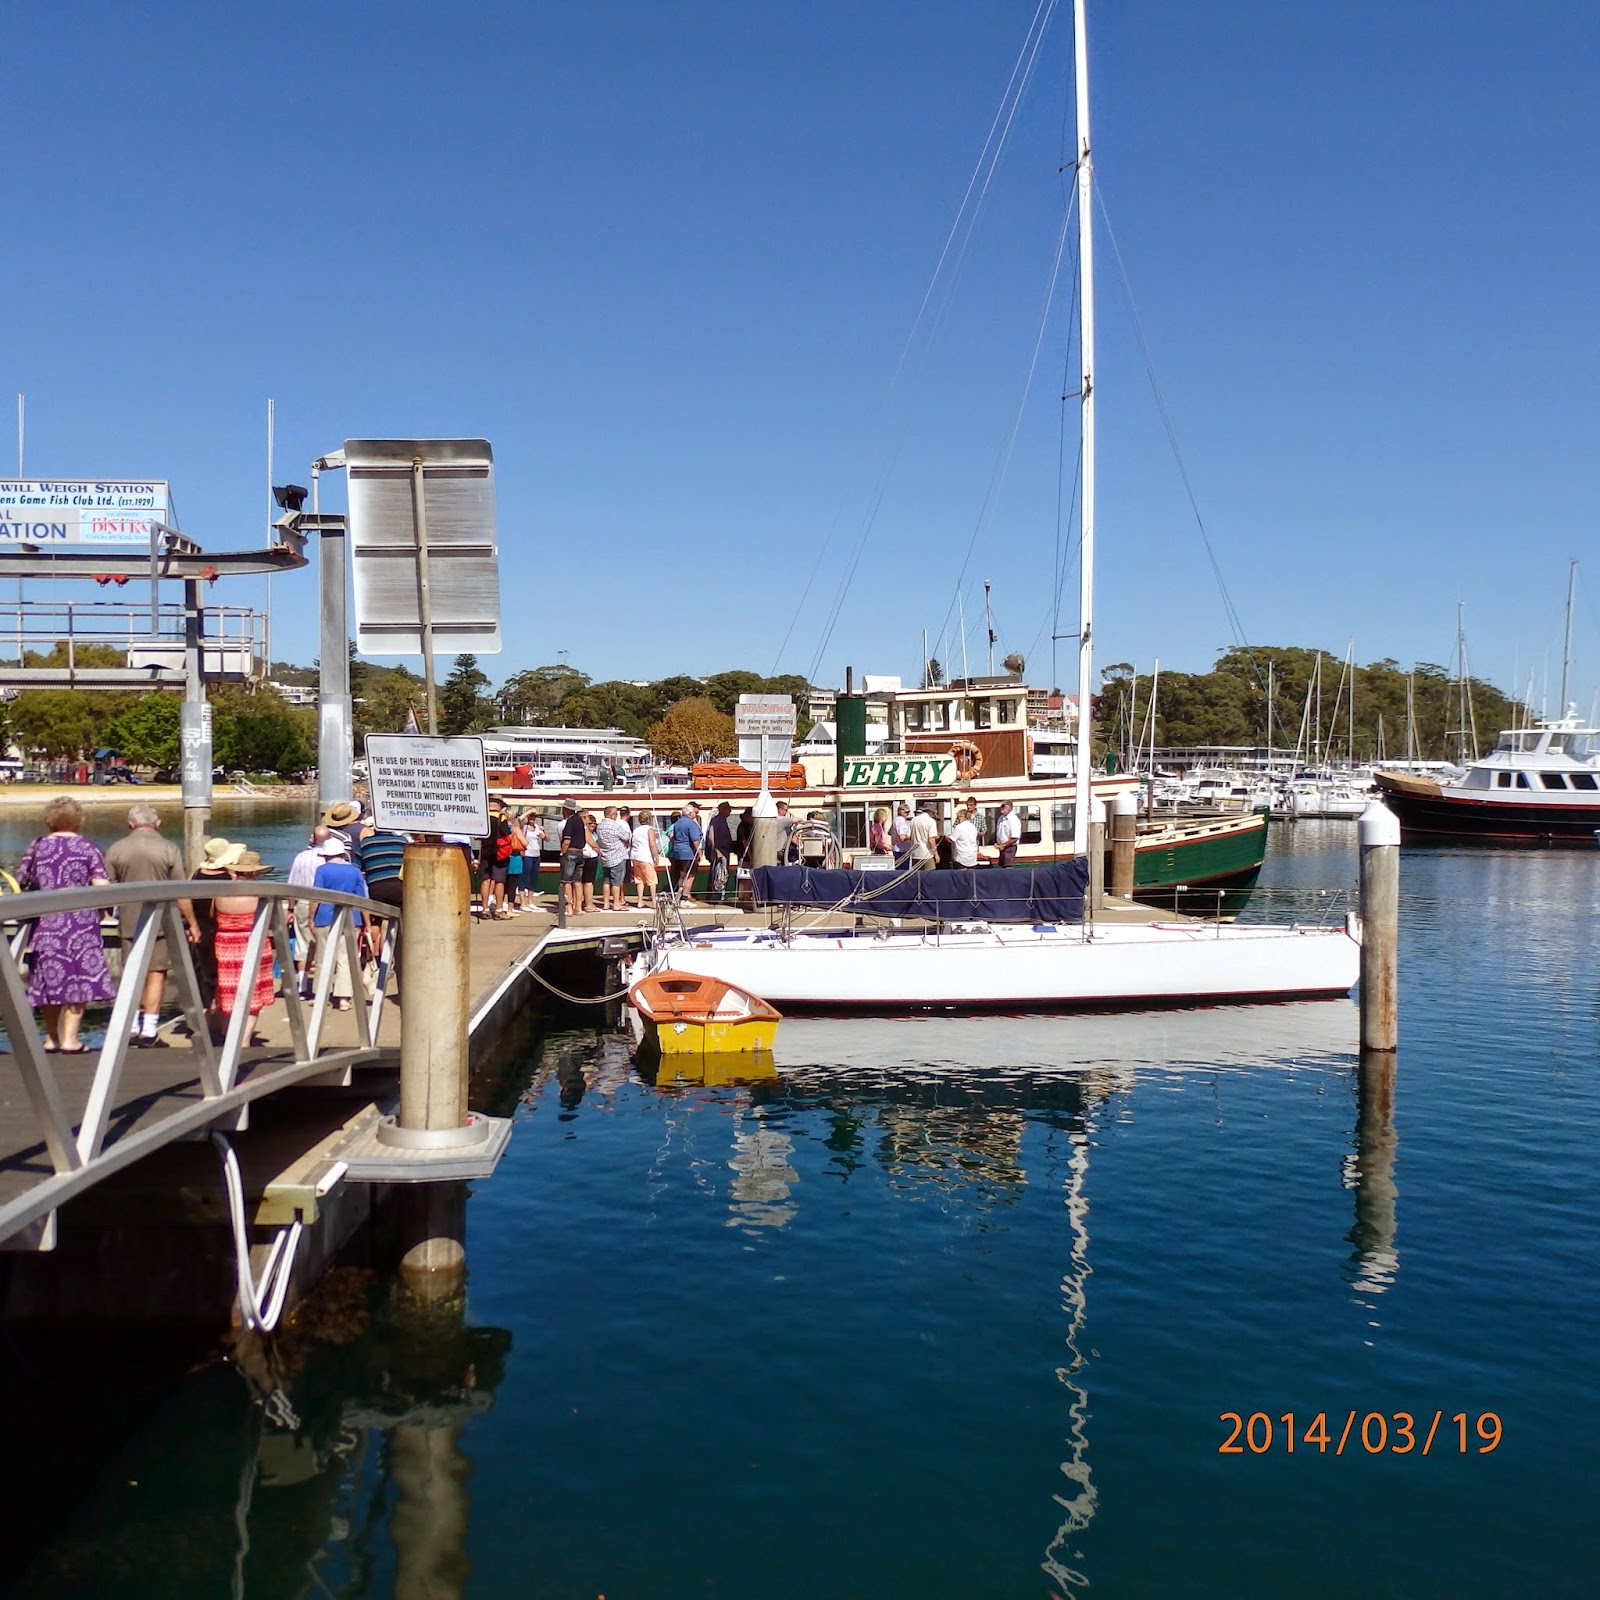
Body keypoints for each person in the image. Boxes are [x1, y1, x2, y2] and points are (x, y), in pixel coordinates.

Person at [15, 796, 116, 1052]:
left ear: (49, 820)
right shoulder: (87, 847)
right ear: (78, 820)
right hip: (80, 925)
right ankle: (71, 1039)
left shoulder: (37, 846)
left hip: (45, 923)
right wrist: (107, 910)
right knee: (77, 980)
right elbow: (101, 885)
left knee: (48, 980)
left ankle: (51, 1037)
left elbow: (21, 880)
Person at [104, 803, 200, 1047]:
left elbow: (105, 889)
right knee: (157, 973)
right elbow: (181, 891)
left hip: (128, 920)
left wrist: (106, 913)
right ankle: (149, 1029)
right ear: (158, 824)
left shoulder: (116, 849)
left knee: (131, 973)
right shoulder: (169, 848)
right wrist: (192, 923)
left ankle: (131, 1026)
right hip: (161, 921)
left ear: (130, 824)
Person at [211, 848, 279, 1044]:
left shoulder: (220, 892)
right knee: (253, 991)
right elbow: (273, 921)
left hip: (225, 942)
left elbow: (212, 915)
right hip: (252, 941)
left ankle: (226, 1032)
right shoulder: (259, 894)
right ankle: (244, 1039)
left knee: (227, 988)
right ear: (255, 872)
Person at [310, 836, 368, 1010]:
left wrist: (311, 917)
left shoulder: (322, 870)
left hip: (325, 916)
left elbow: (316, 896)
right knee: (346, 958)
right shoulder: (355, 871)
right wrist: (366, 922)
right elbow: (362, 898)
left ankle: (321, 995)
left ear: (327, 855)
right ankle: (344, 998)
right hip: (351, 917)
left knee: (323, 958)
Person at [355, 818, 407, 974]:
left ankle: (376, 959)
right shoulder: (402, 841)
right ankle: (393, 959)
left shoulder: (365, 844)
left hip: (376, 886)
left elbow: (359, 868)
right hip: (398, 885)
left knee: (376, 922)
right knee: (394, 922)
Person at [287, 825, 330, 998]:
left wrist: (291, 908)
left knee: (303, 943)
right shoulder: (329, 859)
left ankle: (303, 986)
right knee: (324, 943)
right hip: (326, 902)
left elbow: (292, 885)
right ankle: (322, 985)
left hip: (304, 901)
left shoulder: (301, 857)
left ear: (312, 838)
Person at [478, 798, 512, 920]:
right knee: (499, 881)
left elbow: (478, 836)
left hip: (485, 852)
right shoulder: (501, 817)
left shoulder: (482, 817)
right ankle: (498, 910)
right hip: (499, 852)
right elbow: (506, 834)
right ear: (498, 805)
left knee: (486, 880)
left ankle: (485, 909)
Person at [595, 804, 633, 911]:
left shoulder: (600, 826)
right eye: (616, 814)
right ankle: (616, 904)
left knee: (606, 881)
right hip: (617, 856)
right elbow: (626, 836)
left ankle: (606, 903)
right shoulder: (615, 826)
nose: (617, 816)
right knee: (616, 882)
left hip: (605, 856)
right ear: (612, 815)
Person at [666, 801, 703, 898]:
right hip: (688, 853)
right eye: (693, 812)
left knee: (682, 874)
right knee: (691, 875)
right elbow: (695, 840)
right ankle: (685, 897)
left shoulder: (677, 823)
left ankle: (679, 895)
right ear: (690, 813)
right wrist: (699, 853)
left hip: (677, 852)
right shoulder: (691, 824)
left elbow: (672, 836)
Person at [558, 797, 587, 916]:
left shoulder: (569, 822)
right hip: (580, 852)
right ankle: (578, 908)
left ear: (566, 809)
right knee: (578, 881)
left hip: (570, 853)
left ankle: (568, 908)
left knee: (566, 882)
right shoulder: (580, 820)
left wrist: (562, 852)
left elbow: (567, 840)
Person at [705, 800, 736, 902]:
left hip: (724, 851)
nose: (730, 811)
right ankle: (717, 896)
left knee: (723, 873)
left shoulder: (722, 820)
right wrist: (716, 850)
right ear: (722, 810)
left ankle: (720, 895)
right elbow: (711, 837)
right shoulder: (716, 821)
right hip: (720, 851)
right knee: (719, 873)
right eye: (728, 809)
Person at [628, 809, 660, 906]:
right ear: (649, 819)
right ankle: (654, 902)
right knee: (652, 880)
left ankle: (640, 901)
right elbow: (652, 845)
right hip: (646, 857)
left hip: (635, 856)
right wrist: (656, 857)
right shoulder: (650, 830)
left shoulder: (636, 830)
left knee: (639, 880)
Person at [909, 800, 939, 870]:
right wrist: (936, 854)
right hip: (927, 854)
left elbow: (909, 836)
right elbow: (931, 839)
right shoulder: (931, 821)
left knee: (917, 874)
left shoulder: (913, 820)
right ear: (930, 811)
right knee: (930, 874)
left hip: (915, 853)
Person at [995, 800, 1021, 869]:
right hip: (1002, 848)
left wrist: (1003, 845)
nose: (1001, 807)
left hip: (1010, 848)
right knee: (1003, 868)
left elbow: (1015, 838)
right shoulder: (1001, 818)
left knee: (1008, 868)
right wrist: (998, 843)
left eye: (1003, 806)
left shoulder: (1013, 819)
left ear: (1009, 807)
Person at [775, 800, 798, 864]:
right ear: (780, 810)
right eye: (786, 810)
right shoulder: (783, 822)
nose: (787, 812)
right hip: (781, 852)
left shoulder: (772, 820)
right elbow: (796, 841)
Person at [891, 801, 913, 867]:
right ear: (901, 812)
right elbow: (902, 837)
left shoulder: (895, 820)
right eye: (907, 812)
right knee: (903, 870)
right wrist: (912, 837)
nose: (908, 814)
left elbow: (889, 832)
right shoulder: (901, 821)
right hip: (902, 850)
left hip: (896, 849)